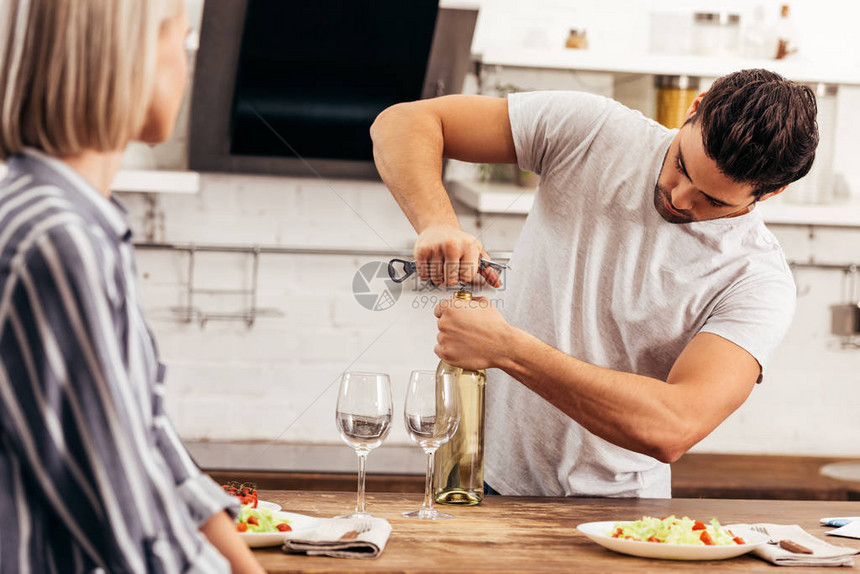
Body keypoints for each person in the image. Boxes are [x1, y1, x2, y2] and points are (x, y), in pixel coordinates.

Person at [370, 69, 818, 498]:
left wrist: (506, 348)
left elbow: (673, 427)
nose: (679, 197)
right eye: (682, 164)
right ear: (694, 108)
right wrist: (437, 225)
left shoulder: (757, 280)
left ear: (772, 191)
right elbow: (404, 121)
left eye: (712, 200)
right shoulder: (594, 130)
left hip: (618, 509)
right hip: (481, 480)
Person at [0, 0, 265, 571]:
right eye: (180, 39)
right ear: (127, 54)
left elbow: (150, 443)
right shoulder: (57, 240)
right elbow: (133, 531)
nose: (186, 67)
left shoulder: (78, 222)